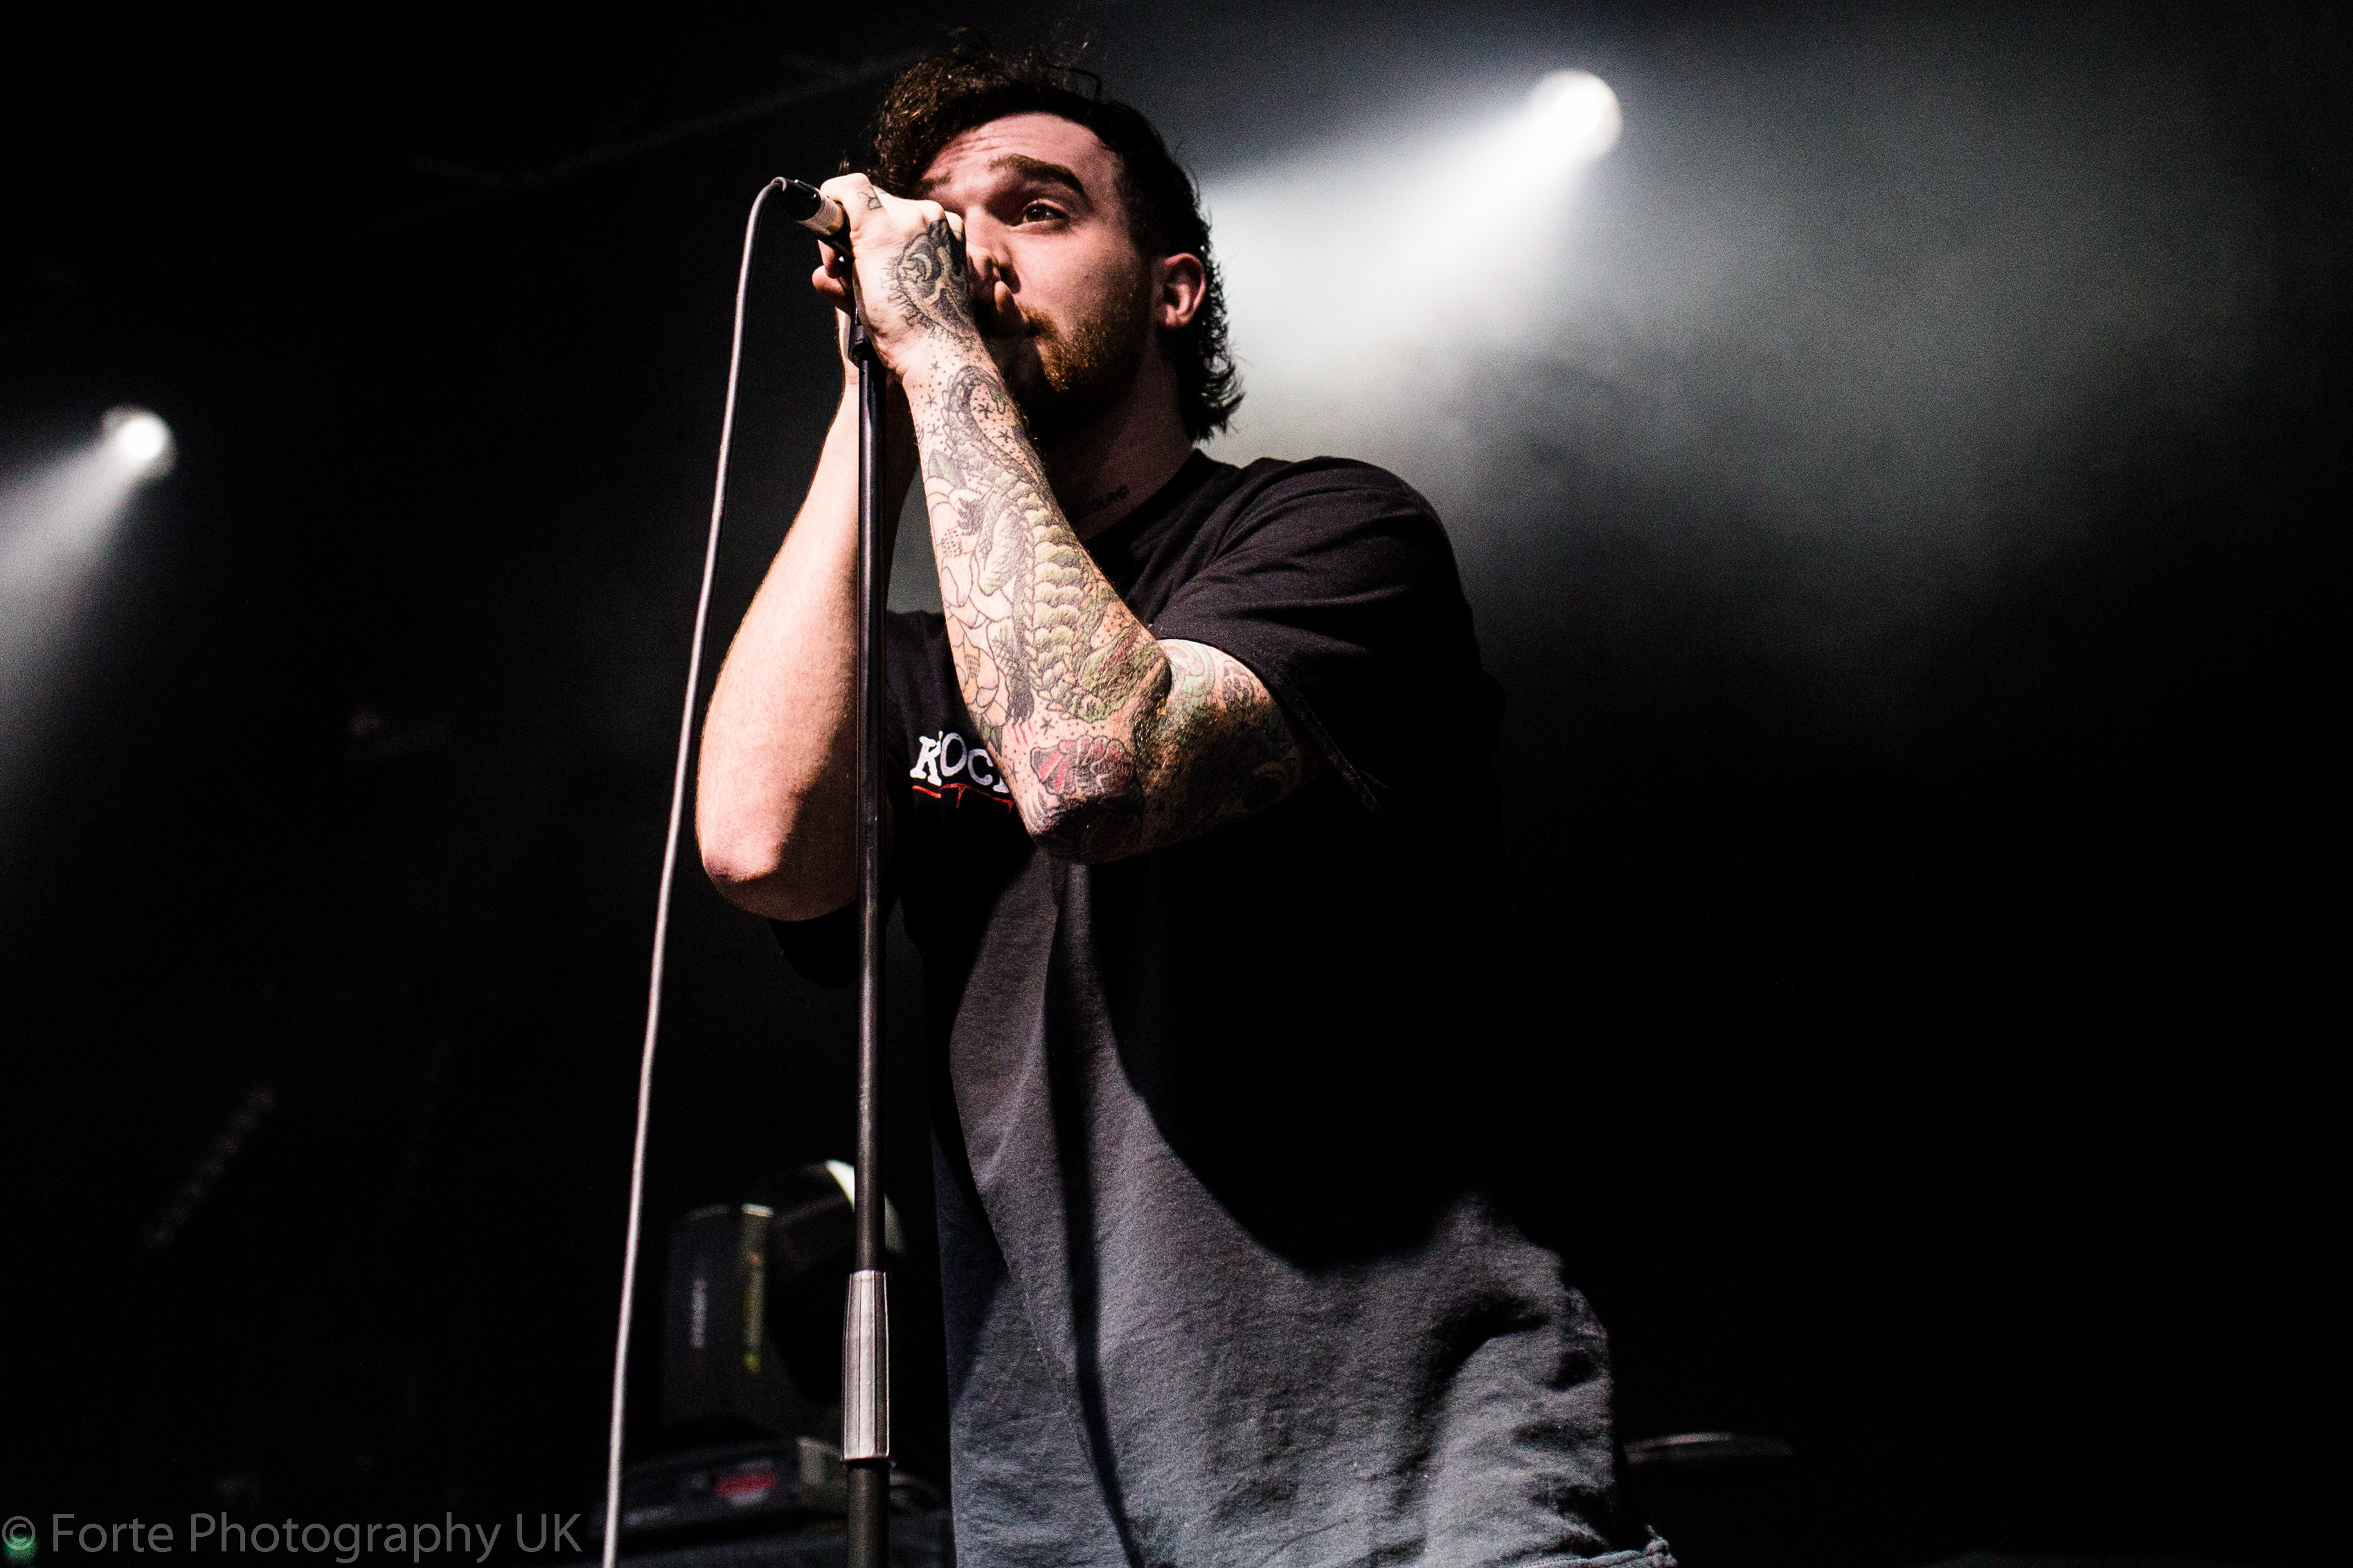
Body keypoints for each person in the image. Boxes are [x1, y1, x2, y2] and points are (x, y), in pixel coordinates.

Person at [697, 42, 1666, 1568]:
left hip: (1414, 1493)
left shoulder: (1329, 531)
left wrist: (940, 348)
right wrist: (875, 403)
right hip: (1060, 1519)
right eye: (939, 217)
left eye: (1033, 209)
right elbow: (758, 847)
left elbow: (1095, 764)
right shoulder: (909, 665)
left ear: (1172, 290)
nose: (967, 248)